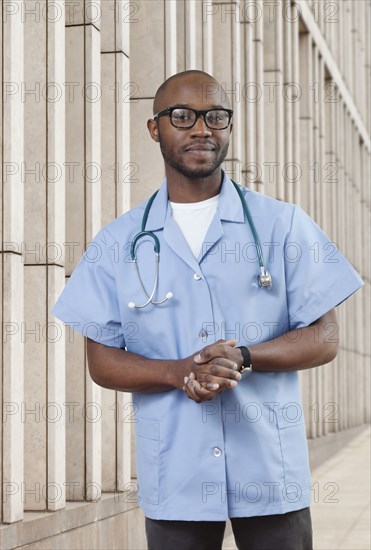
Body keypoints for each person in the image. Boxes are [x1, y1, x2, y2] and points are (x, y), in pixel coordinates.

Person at [52, 70, 363, 550]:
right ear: (155, 128)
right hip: (177, 475)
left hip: (270, 475)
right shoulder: (118, 243)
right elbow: (103, 361)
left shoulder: (282, 224)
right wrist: (179, 372)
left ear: (228, 127)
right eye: (182, 116)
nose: (202, 128)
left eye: (215, 116)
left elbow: (324, 338)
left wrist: (242, 357)